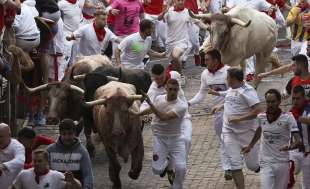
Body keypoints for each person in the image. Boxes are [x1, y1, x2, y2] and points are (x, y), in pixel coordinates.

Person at [210, 68, 263, 189]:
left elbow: (259, 110)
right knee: (235, 164)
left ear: (233, 79)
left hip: (247, 134)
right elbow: (231, 100)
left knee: (252, 166)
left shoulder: (248, 91)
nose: (226, 79)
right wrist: (220, 106)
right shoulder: (232, 89)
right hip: (229, 132)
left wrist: (240, 119)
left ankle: (258, 167)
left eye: (227, 77)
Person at [140, 64, 193, 185]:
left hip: (183, 118)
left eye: (161, 77)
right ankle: (169, 166)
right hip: (165, 127)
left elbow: (180, 77)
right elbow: (147, 103)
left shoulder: (175, 75)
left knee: (186, 139)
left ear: (165, 73)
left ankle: (178, 166)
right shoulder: (154, 88)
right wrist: (138, 113)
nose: (158, 81)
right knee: (157, 168)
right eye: (155, 78)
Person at [241, 89, 301, 189]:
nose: (270, 104)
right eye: (268, 102)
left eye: (273, 102)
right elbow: (259, 130)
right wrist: (250, 146)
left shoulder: (288, 118)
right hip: (266, 162)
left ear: (279, 102)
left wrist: (290, 147)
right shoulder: (261, 117)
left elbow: (298, 140)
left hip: (282, 162)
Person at [188, 49, 231, 179]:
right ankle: (229, 167)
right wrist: (188, 103)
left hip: (232, 111)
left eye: (207, 59)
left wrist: (219, 95)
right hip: (217, 113)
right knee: (223, 140)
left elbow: (235, 92)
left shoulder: (229, 72)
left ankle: (231, 165)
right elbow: (201, 94)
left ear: (216, 60)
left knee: (229, 139)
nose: (204, 62)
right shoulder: (205, 74)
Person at [158, 0, 208, 84]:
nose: (181, 2)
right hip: (170, 43)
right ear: (174, 1)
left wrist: (208, 28)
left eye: (182, 0)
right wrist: (163, 13)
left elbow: (198, 22)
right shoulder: (169, 11)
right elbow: (159, 18)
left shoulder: (187, 12)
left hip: (182, 42)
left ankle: (181, 76)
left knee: (175, 56)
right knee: (174, 63)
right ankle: (176, 76)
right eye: (179, 0)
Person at [46, 119, 93, 189]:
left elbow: (87, 175)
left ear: (75, 133)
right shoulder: (50, 150)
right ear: (60, 133)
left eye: (70, 133)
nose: (67, 137)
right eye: (64, 134)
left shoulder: (82, 151)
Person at [11, 149, 82, 189]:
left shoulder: (57, 176)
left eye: (40, 161)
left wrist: (72, 181)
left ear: (47, 161)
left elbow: (79, 188)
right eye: (34, 161)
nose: (36, 164)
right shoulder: (23, 174)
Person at [288, 86, 310, 188]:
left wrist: (295, 116)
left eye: (298, 98)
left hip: (308, 152)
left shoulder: (308, 108)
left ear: (304, 97)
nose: (295, 101)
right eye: (293, 98)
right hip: (294, 151)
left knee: (307, 184)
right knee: (290, 170)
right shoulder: (291, 111)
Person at [0, 123, 25, 189]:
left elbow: (20, 160)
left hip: (14, 185)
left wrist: (3, 166)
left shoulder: (17, 146)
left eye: (1, 136)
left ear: (9, 135)